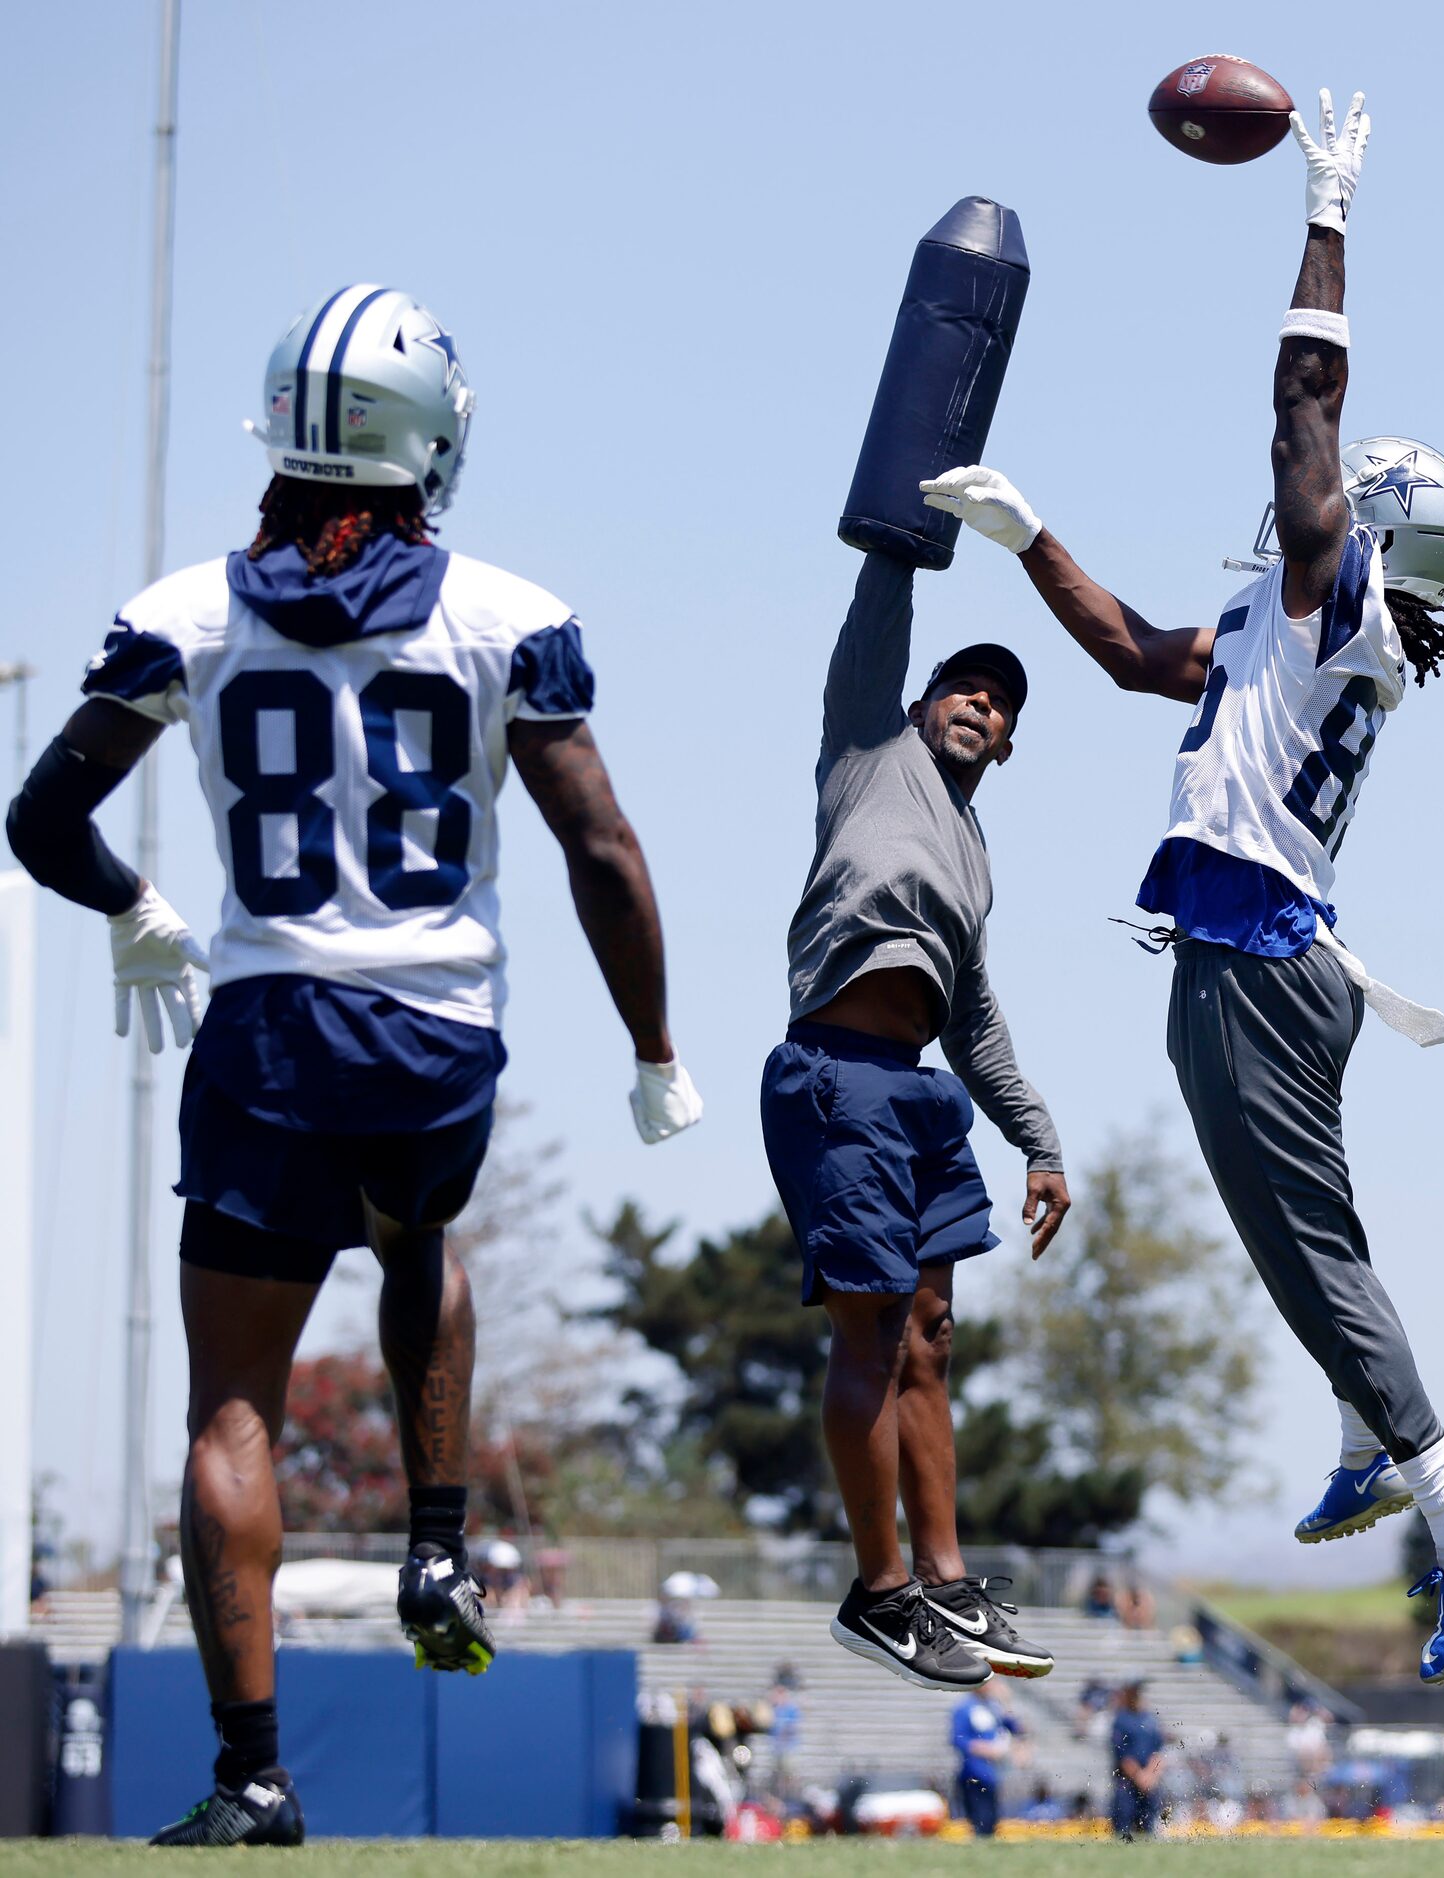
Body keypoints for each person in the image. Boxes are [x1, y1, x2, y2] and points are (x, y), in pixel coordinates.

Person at [6, 285, 700, 1845]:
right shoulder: (507, 614)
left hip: (263, 1028)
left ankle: (252, 1773)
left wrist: (134, 906)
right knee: (417, 1237)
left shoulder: (184, 612)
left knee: (229, 1413)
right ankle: (437, 1540)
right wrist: (655, 1042)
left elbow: (43, 821)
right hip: (434, 1032)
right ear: (429, 445)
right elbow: (603, 844)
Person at [920, 85, 1444, 1686]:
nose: (1291, 502)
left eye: (1329, 496)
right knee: (1311, 1228)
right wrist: (1030, 533)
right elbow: (1134, 654)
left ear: (1366, 530)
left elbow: (1301, 409)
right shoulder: (1293, 633)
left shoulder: (1334, 601)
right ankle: (1358, 1420)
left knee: (1301, 1248)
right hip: (1287, 954)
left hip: (1256, 957)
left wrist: (1324, 213)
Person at [761, 543, 1068, 1690]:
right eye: (964, 685)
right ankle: (878, 1593)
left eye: (1001, 702)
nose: (981, 703)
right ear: (922, 700)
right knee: (875, 1338)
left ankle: (945, 1582)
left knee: (932, 1341)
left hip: (925, 1095)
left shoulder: (973, 854)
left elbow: (974, 1016)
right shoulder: (866, 750)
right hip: (837, 1074)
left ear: (1008, 741)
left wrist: (1038, 1140)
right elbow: (873, 627)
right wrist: (902, 531)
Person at [951, 1686, 1023, 1837]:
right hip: (975, 1773)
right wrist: (988, 1750)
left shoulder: (993, 1707)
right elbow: (958, 1740)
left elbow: (1015, 1728)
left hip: (994, 1774)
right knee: (980, 1819)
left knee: (992, 1819)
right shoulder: (965, 1708)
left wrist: (1007, 1703)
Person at [1109, 1682, 1164, 1841]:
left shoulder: (1151, 1721)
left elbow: (1158, 1753)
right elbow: (1123, 1756)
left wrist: (1150, 1776)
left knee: (1149, 1828)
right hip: (1127, 1782)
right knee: (1123, 1829)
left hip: (1149, 1782)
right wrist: (1140, 1776)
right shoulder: (1121, 1720)